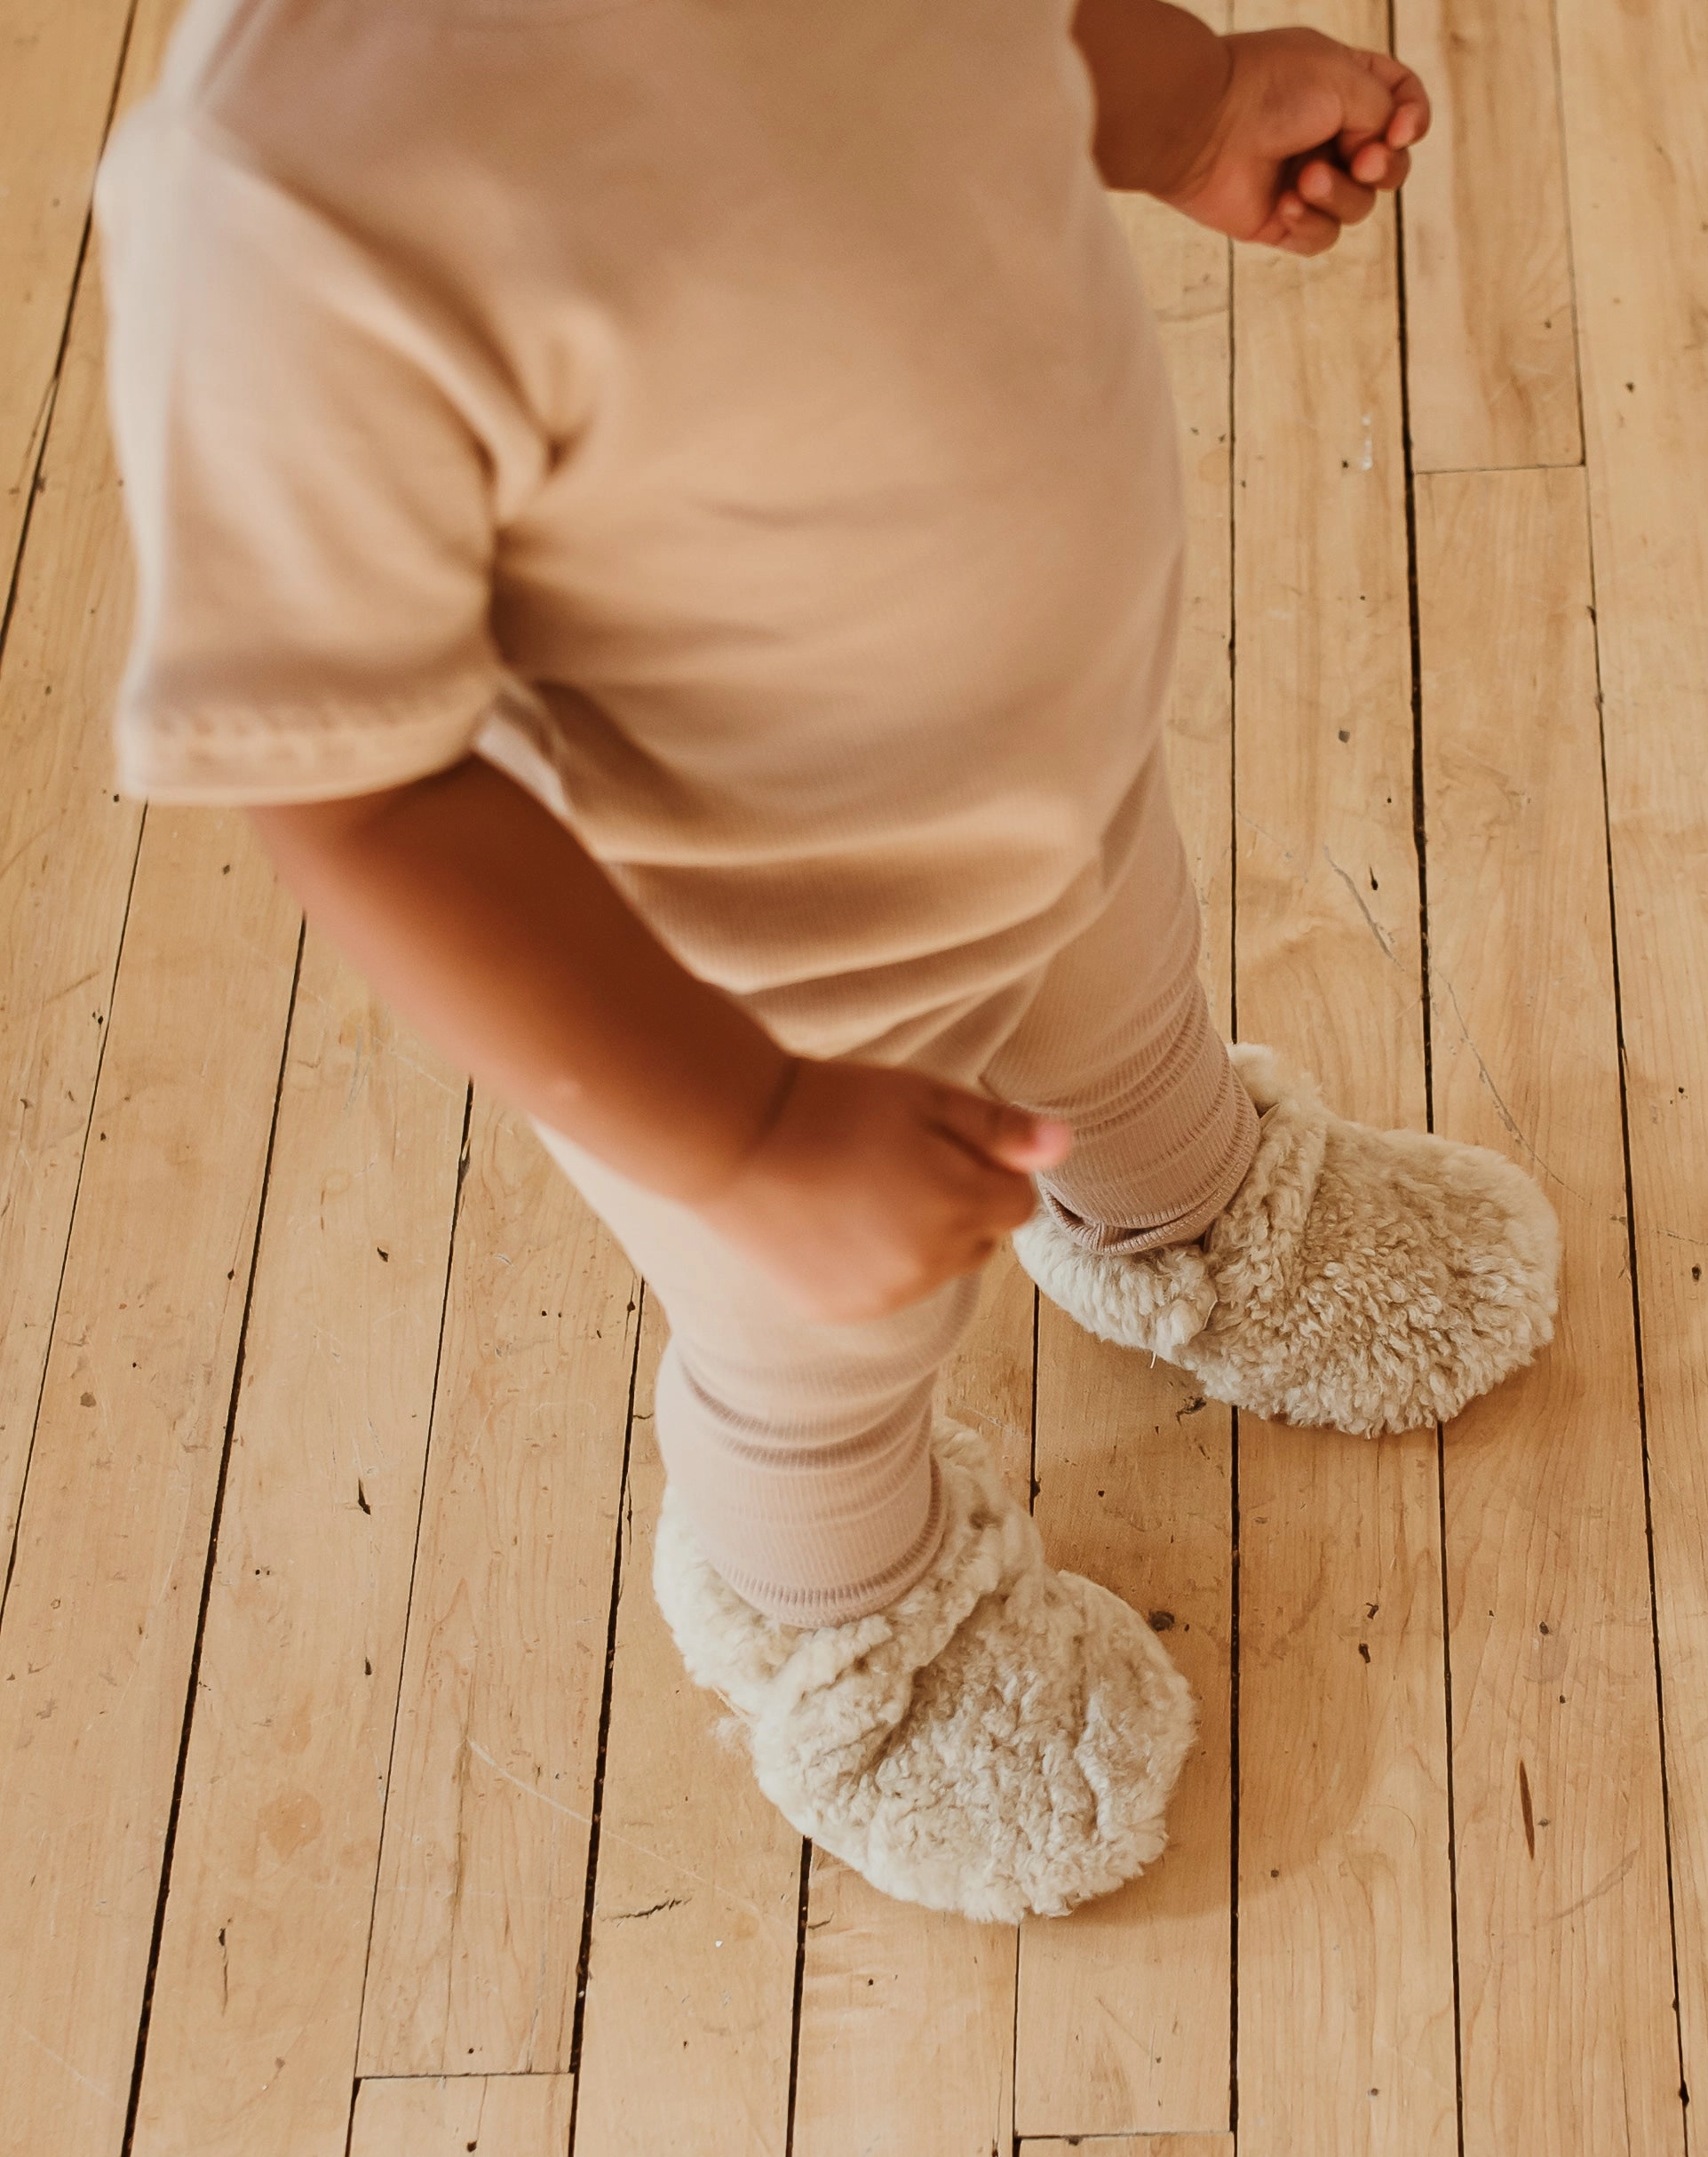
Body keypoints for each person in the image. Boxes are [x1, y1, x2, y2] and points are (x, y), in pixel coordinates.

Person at [95, 0, 1560, 1923]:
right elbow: (355, 792)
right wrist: (751, 1132)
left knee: (1126, 989)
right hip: (744, 980)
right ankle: (835, 1602)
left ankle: (1188, 1206)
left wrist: (1185, 102)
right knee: (819, 1344)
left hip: (1047, 744)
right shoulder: (294, 196)